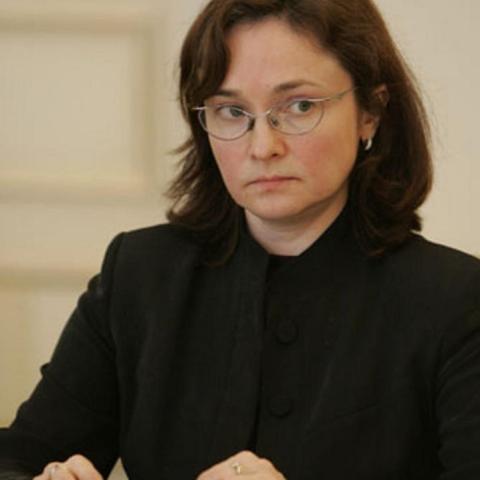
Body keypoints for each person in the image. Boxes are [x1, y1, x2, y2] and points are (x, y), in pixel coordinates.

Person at [1, 0, 479, 479]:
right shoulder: (139, 274)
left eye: (300, 106)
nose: (263, 146)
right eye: (231, 111)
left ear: (371, 111)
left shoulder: (457, 301)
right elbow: (17, 458)